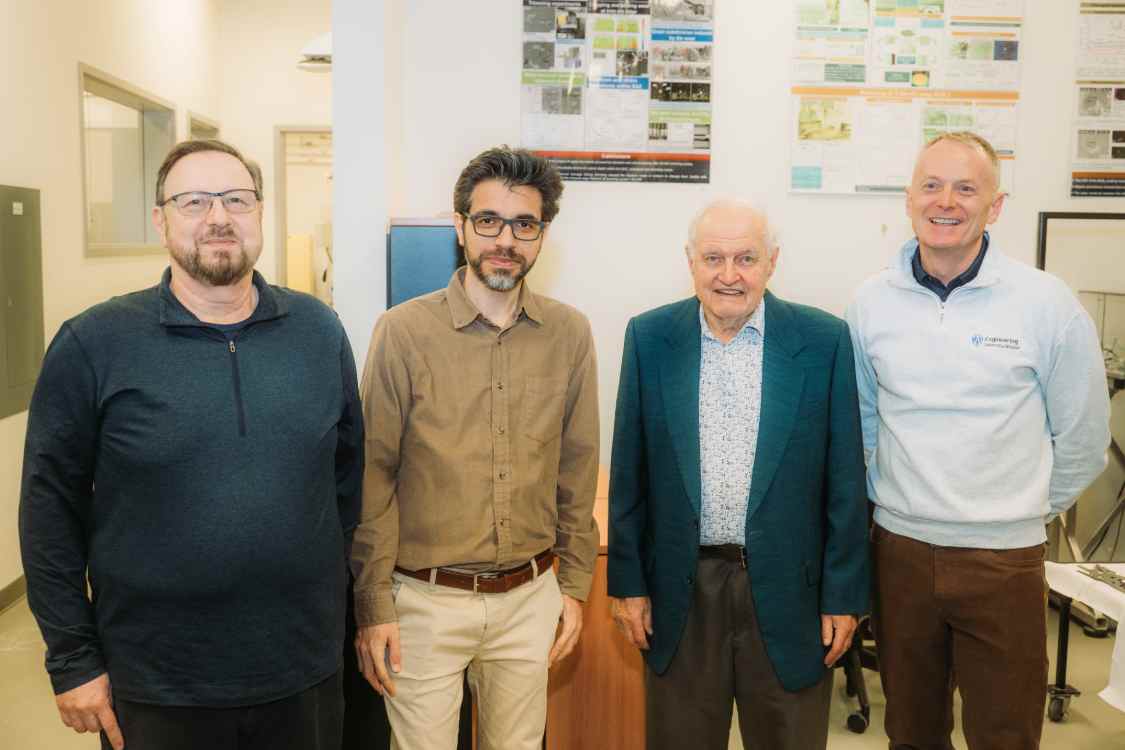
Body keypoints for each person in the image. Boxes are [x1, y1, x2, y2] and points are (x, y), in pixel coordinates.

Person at [19, 139, 364, 750]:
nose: (218, 217)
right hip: (156, 682)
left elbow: (345, 481)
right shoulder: (94, 344)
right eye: (194, 201)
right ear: (161, 220)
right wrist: (73, 660)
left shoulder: (318, 331)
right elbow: (49, 513)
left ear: (260, 212)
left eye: (237, 199)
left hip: (301, 670)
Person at [846, 131, 1111, 750]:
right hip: (901, 553)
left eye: (966, 188)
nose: (946, 202)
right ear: (908, 200)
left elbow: (1083, 439)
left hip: (1004, 562)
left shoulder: (1047, 304)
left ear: (995, 206)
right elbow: (861, 423)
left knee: (1005, 733)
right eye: (932, 186)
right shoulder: (870, 303)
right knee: (911, 729)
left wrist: (1015, 512)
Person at [350, 146, 599, 750]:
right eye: (488, 221)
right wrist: (373, 605)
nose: (504, 240)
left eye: (524, 225)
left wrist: (572, 587)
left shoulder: (569, 333)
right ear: (461, 226)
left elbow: (577, 468)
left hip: (530, 600)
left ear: (543, 235)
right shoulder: (402, 332)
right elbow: (372, 476)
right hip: (425, 603)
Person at [607, 199, 869, 750]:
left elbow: (846, 481)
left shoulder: (823, 341)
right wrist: (628, 586)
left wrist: (843, 595)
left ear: (772, 261)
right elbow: (630, 476)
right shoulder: (649, 338)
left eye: (746, 258)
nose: (729, 275)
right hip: (682, 590)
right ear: (690, 261)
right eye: (713, 258)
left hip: (790, 595)